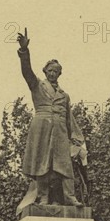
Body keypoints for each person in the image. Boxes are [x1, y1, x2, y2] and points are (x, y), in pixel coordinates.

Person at [16, 28, 87, 208]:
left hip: (60, 133)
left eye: (56, 71)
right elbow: (27, 72)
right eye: (50, 70)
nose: (52, 73)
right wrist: (24, 51)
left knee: (64, 166)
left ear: (59, 74)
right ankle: (44, 197)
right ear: (45, 71)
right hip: (42, 128)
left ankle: (70, 197)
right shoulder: (37, 86)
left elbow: (69, 118)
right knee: (42, 164)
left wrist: (77, 139)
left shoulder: (64, 95)